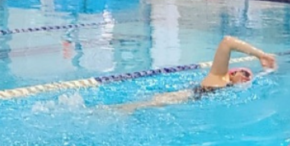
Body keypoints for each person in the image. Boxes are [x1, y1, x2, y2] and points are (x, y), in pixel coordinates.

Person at [116, 35, 276, 111]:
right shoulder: (218, 77)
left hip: (190, 104)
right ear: (232, 73)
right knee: (140, 106)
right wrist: (260, 55)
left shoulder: (230, 90)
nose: (246, 77)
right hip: (185, 96)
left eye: (248, 77)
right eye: (244, 73)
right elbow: (227, 42)